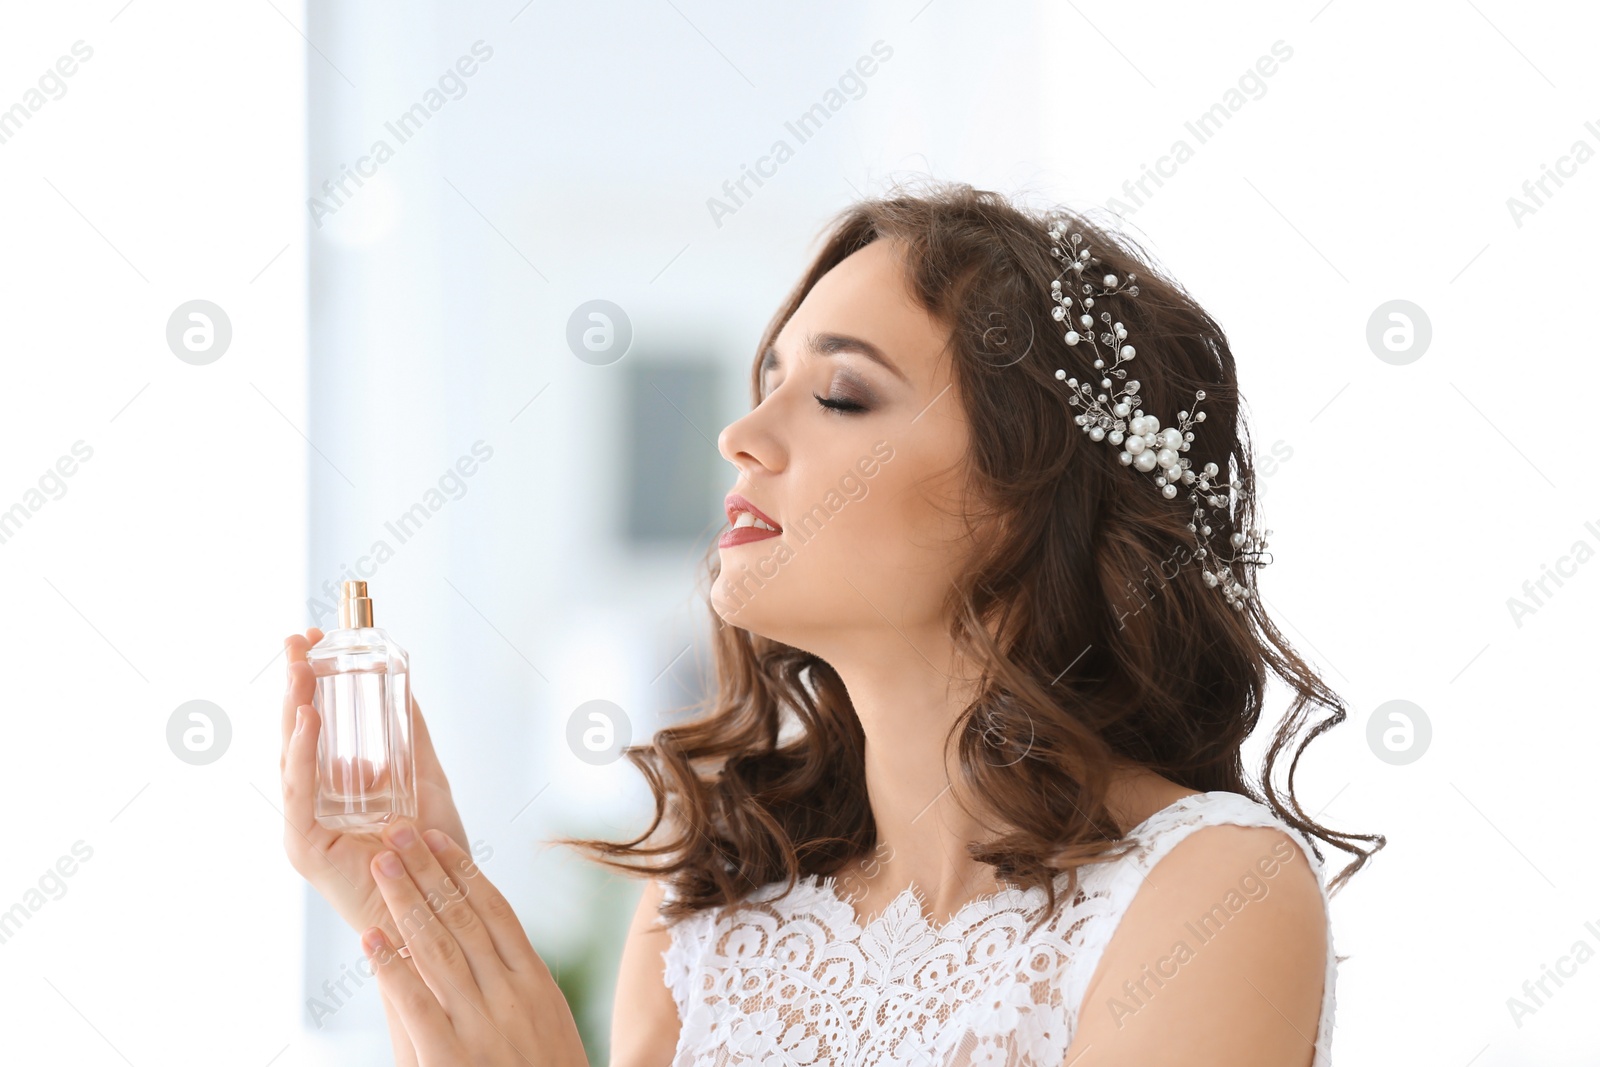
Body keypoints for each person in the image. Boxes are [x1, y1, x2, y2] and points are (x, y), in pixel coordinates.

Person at [279, 180, 1382, 1067]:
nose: (741, 433)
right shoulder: (712, 904)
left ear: (1028, 494)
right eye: (768, 378)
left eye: (841, 394)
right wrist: (410, 910)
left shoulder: (1204, 895)